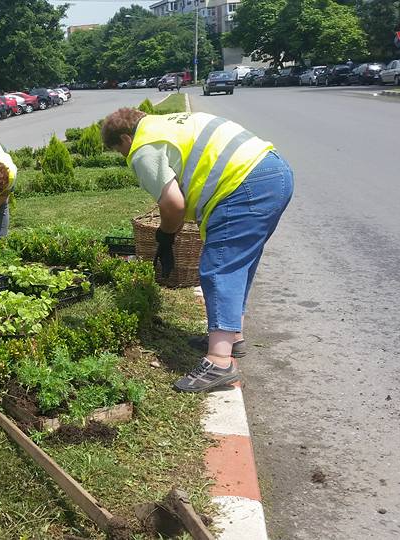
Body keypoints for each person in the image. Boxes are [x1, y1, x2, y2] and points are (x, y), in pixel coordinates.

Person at [102, 108, 294, 393]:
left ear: (126, 138)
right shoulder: (166, 124)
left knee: (219, 267)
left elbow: (172, 205)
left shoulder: (142, 147)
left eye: (119, 151)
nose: (124, 157)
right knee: (239, 263)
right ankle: (233, 335)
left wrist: (166, 236)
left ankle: (219, 361)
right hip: (274, 172)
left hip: (244, 184)